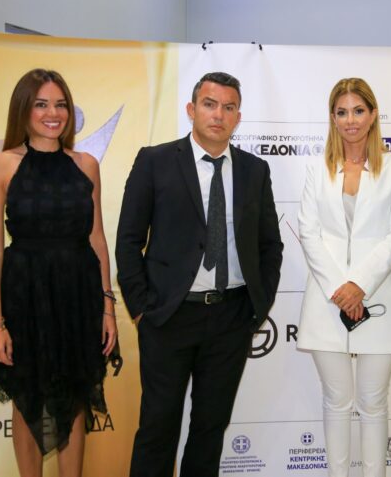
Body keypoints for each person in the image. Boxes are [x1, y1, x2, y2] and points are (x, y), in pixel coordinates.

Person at [115, 71, 283, 477]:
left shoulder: (254, 170)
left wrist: (256, 309)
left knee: (210, 429)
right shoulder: (155, 161)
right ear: (191, 109)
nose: (218, 115)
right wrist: (142, 309)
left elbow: (269, 245)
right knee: (158, 429)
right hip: (168, 317)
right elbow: (128, 241)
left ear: (238, 117)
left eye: (229, 107)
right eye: (210, 104)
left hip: (231, 318)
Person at [0, 68, 120, 477]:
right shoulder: (0, 165)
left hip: (78, 295)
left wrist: (107, 306)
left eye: (60, 104)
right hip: (25, 295)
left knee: (76, 399)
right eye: (41, 104)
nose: (53, 113)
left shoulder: (86, 164)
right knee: (27, 401)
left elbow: (97, 239)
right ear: (24, 110)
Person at [297, 77, 391, 477]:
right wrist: (339, 289)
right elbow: (308, 232)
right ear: (332, 117)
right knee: (336, 401)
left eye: (359, 111)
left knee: (373, 403)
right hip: (326, 300)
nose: (351, 120)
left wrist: (359, 285)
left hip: (379, 297)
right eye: (342, 112)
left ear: (373, 114)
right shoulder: (316, 168)